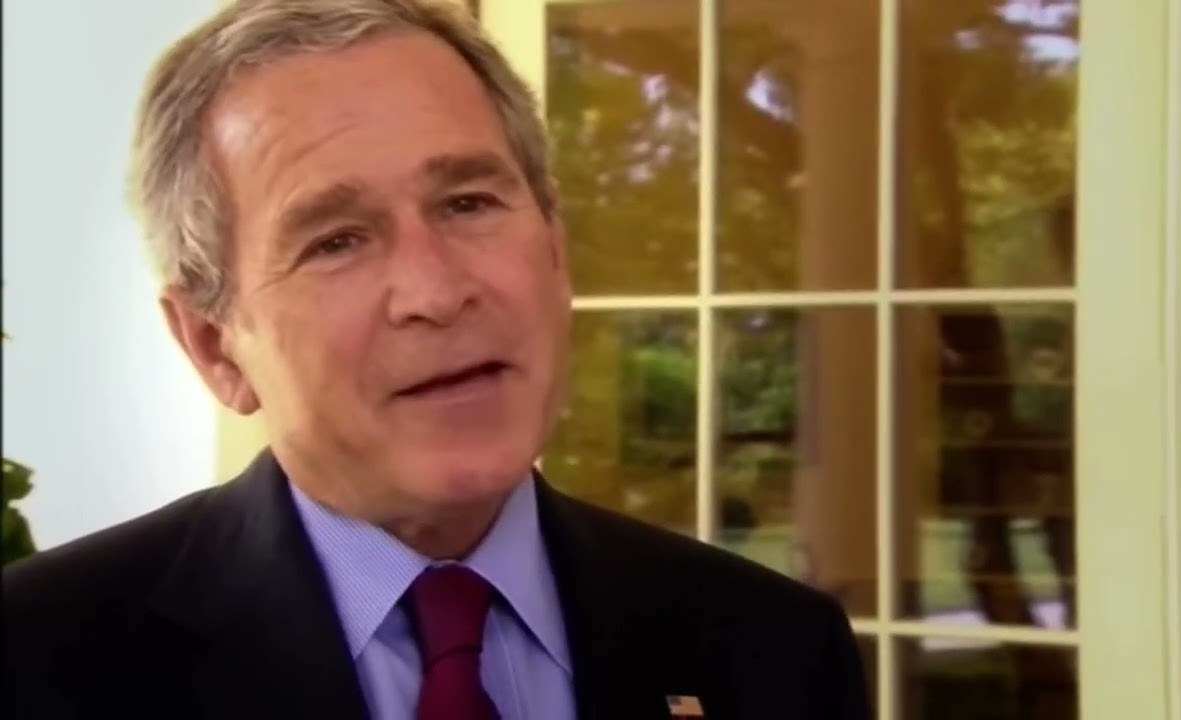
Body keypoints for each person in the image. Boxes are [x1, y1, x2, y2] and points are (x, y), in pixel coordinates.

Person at [1, 1, 870, 718]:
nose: (435, 290)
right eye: (337, 240)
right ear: (213, 343)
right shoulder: (38, 659)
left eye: (467, 202)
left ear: (556, 247)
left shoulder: (776, 650)